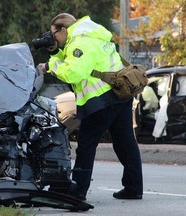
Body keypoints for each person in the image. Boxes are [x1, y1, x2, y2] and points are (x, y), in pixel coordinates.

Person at [39, 13, 143, 201]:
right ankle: (134, 187)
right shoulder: (92, 33)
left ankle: (78, 191)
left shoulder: (80, 42)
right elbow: (74, 58)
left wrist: (50, 66)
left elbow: (74, 72)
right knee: (125, 141)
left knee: (86, 144)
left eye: (54, 34)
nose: (54, 38)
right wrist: (55, 52)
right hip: (120, 93)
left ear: (63, 30)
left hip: (101, 99)